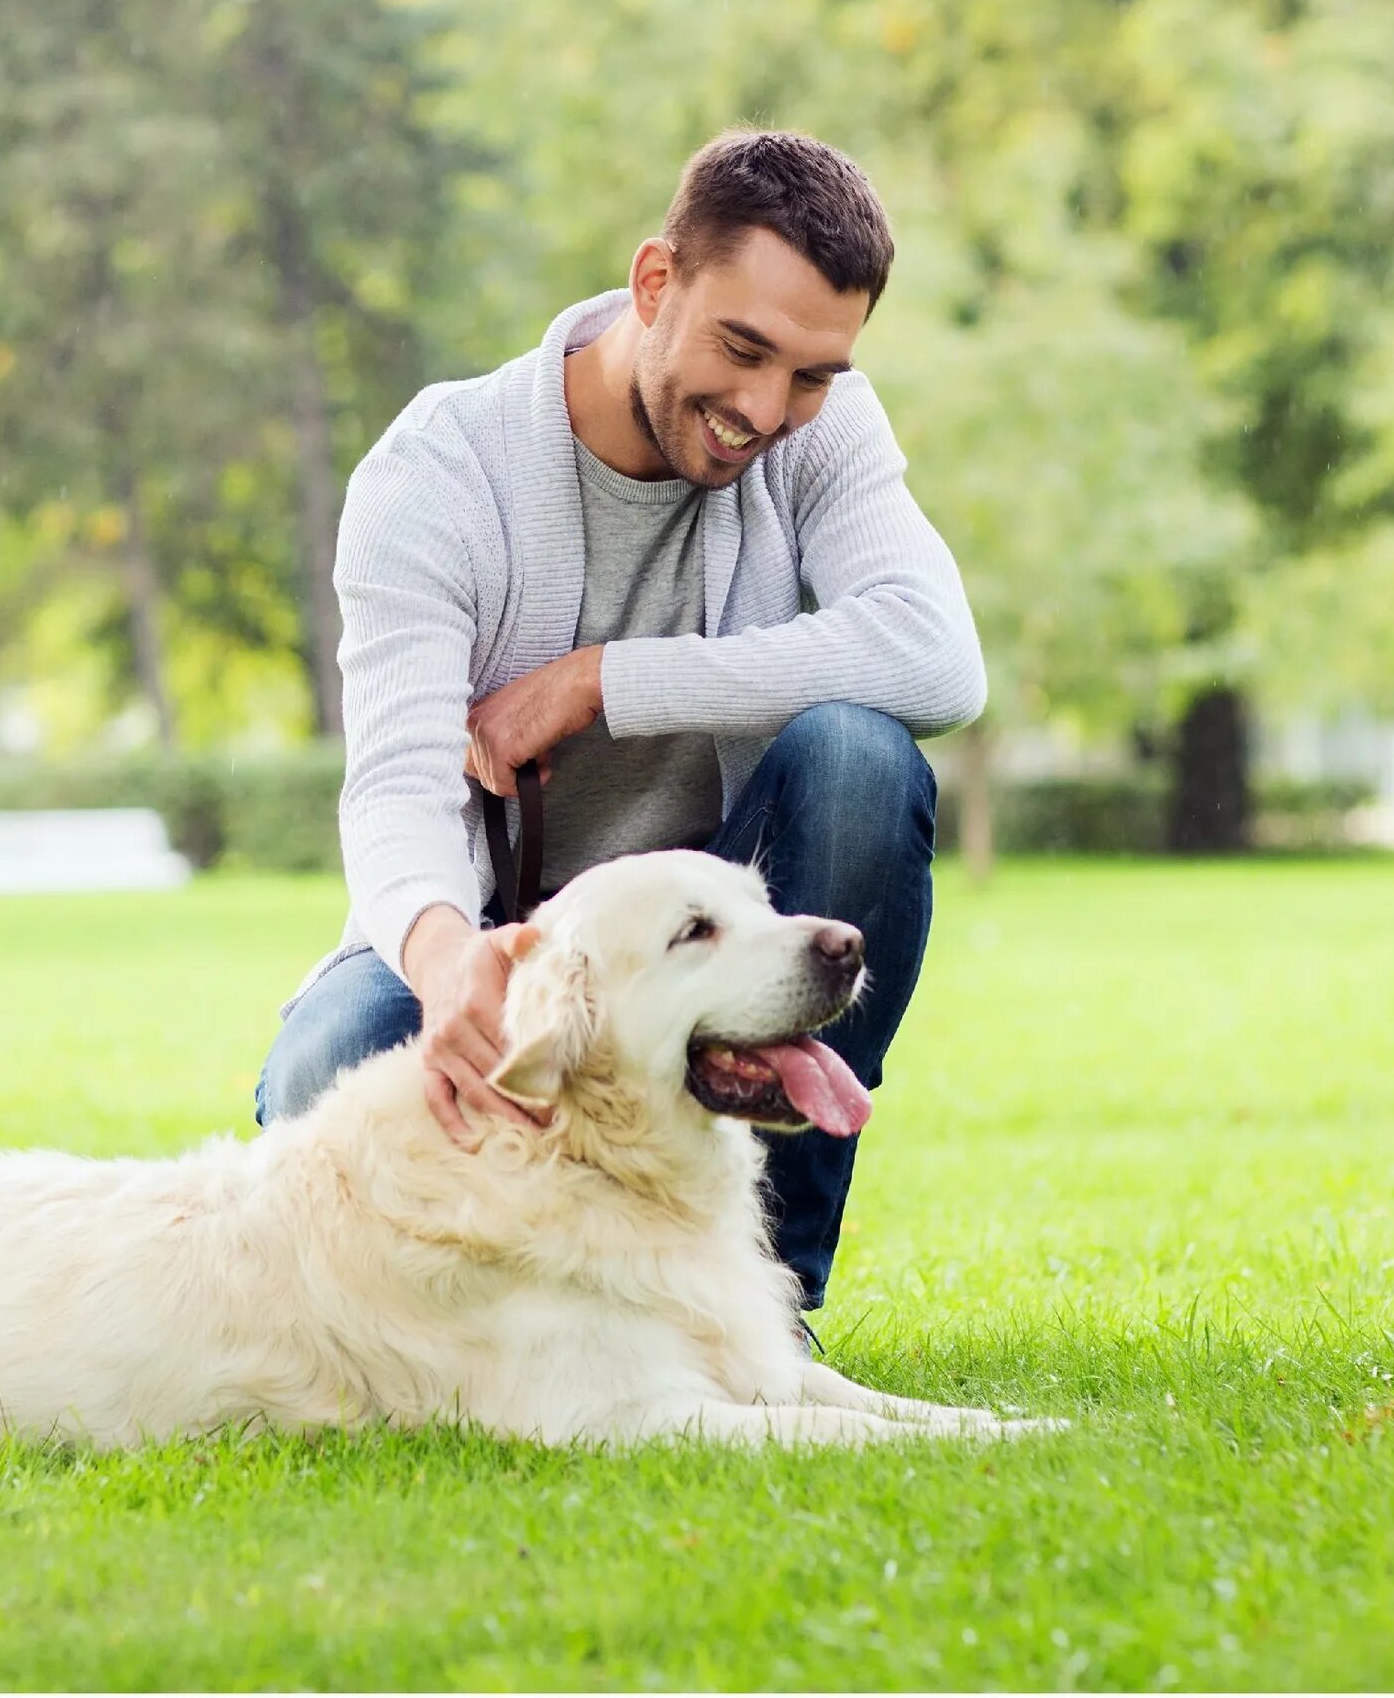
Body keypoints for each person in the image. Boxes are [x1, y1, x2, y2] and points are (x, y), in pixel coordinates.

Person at [253, 128, 986, 1313]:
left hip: (711, 945)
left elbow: (939, 660)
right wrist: (450, 968)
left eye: (810, 374)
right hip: (492, 931)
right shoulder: (440, 472)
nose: (764, 409)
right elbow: (395, 790)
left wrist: (606, 680)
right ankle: (511, 1317)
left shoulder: (824, 430)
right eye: (742, 349)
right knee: (324, 1076)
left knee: (860, 754)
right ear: (655, 283)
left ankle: (765, 1306)